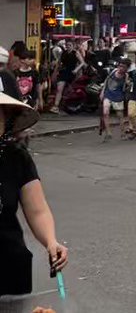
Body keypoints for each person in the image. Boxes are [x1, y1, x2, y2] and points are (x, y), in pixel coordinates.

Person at [0, 92, 68, 296]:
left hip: (8, 266)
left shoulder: (16, 156)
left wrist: (50, 241)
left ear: (6, 121)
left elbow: (37, 210)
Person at [100, 58, 131, 141]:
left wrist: (127, 84)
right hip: (108, 93)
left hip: (118, 95)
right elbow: (107, 80)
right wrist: (102, 92)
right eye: (120, 66)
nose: (121, 68)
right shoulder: (113, 71)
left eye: (123, 67)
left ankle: (123, 133)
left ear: (126, 68)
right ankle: (108, 132)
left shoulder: (126, 76)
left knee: (120, 115)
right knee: (105, 112)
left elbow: (125, 88)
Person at [49, 40, 83, 114]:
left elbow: (82, 62)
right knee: (59, 89)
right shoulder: (63, 53)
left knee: (69, 89)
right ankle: (56, 106)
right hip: (63, 72)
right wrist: (55, 71)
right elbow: (59, 63)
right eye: (67, 45)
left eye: (70, 45)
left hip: (71, 72)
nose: (68, 47)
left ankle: (67, 104)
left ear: (73, 46)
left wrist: (76, 70)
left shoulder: (76, 53)